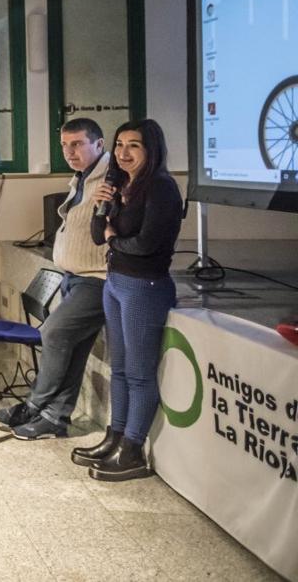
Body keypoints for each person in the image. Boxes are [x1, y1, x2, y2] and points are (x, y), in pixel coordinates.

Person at [0, 118, 110, 440]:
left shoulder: (111, 178)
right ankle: (55, 417)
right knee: (74, 348)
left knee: (55, 334)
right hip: (74, 276)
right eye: (64, 145)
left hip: (98, 278)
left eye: (77, 144)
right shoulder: (82, 177)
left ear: (98, 144)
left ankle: (35, 405)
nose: (69, 152)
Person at [84, 119, 183, 481]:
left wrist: (112, 237)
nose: (124, 153)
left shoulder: (161, 188)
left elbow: (145, 245)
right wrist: (101, 207)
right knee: (121, 369)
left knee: (140, 374)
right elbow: (97, 234)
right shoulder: (119, 183)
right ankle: (115, 437)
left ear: (150, 149)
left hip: (145, 286)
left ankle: (133, 451)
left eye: (134, 146)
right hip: (116, 282)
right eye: (120, 144)